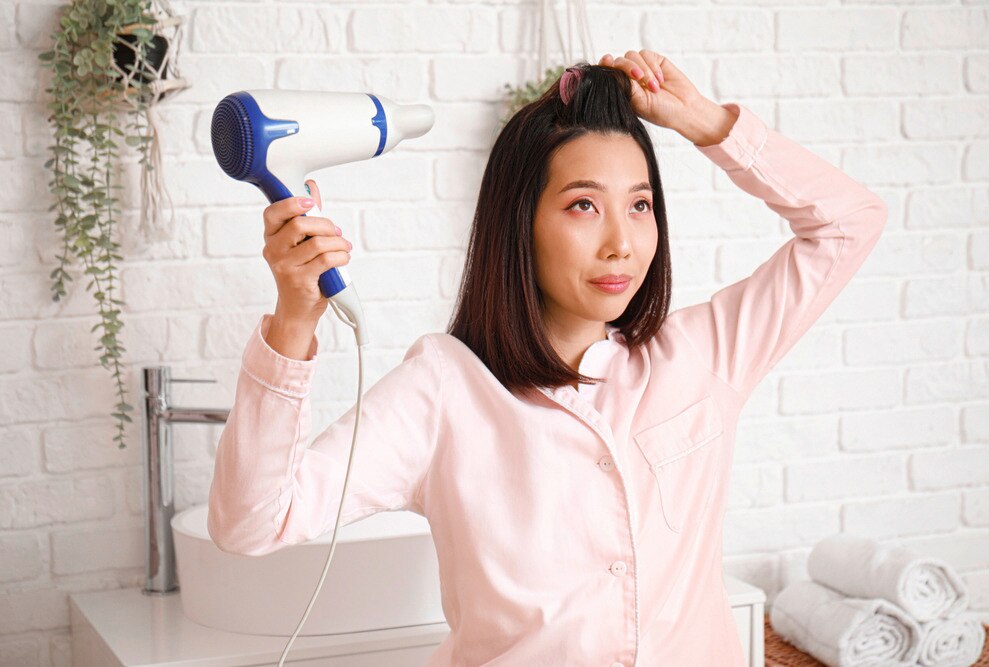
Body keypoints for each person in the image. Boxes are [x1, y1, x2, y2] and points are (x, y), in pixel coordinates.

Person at [207, 49, 888, 666]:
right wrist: (295, 317)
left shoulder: (701, 357)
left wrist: (708, 123)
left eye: (641, 204)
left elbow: (850, 221)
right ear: (520, 220)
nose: (622, 241)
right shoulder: (445, 389)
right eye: (585, 205)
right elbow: (251, 521)